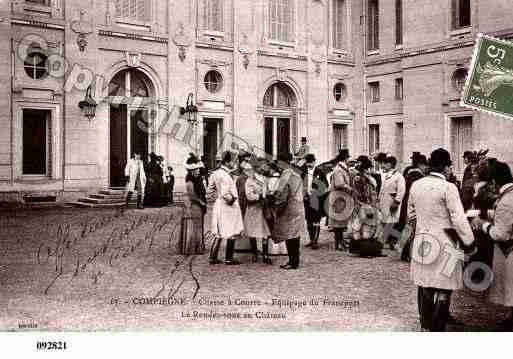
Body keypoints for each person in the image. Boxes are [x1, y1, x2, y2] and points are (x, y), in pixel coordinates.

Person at [408, 148, 475, 332]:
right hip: (447, 242)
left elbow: (411, 215)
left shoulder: (416, 185)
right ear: (446, 167)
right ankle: (438, 328)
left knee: (426, 283)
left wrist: (421, 230)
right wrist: (469, 242)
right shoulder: (449, 187)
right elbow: (458, 219)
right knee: (444, 286)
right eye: (450, 166)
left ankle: (426, 325)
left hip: (423, 241)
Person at [471, 161, 513, 331]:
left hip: (509, 250)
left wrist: (482, 224)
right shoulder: (510, 194)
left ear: (495, 181)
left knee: (510, 284)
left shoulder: (507, 200)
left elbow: (501, 234)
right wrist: (490, 215)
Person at [207, 151, 245, 265]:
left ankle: (213, 257)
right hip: (228, 207)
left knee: (218, 231)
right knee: (231, 231)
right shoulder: (225, 175)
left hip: (219, 205)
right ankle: (229, 258)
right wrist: (232, 200)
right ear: (227, 162)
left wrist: (216, 198)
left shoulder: (216, 173)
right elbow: (225, 193)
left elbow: (209, 190)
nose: (234, 164)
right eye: (233, 161)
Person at [273, 152, 305, 270]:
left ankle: (292, 262)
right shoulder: (296, 174)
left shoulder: (285, 176)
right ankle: (294, 260)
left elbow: (282, 196)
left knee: (289, 235)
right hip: (299, 207)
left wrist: (276, 208)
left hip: (289, 208)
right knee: (295, 235)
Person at [350, 155, 383, 257]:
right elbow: (362, 194)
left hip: (367, 204)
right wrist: (367, 205)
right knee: (365, 227)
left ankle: (366, 249)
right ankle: (364, 250)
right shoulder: (361, 178)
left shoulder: (365, 177)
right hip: (365, 204)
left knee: (365, 226)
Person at [397, 154, 428, 261]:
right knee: (412, 229)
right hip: (414, 205)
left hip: (406, 203)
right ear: (420, 165)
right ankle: (408, 253)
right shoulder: (418, 176)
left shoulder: (408, 172)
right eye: (424, 165)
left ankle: (403, 251)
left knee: (408, 228)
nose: (426, 167)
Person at [243, 161, 272, 264]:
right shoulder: (250, 180)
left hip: (263, 209)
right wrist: (259, 196)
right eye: (261, 167)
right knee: (252, 232)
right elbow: (249, 195)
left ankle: (265, 254)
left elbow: (267, 190)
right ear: (256, 168)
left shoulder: (264, 179)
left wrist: (268, 194)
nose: (263, 169)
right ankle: (254, 253)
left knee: (265, 232)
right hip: (253, 209)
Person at [378, 156, 405, 249]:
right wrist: (379, 199)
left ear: (390, 164)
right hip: (384, 202)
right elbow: (382, 189)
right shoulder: (386, 175)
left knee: (390, 222)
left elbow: (401, 191)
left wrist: (397, 202)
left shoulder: (398, 176)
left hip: (391, 202)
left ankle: (386, 241)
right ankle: (391, 241)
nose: (383, 166)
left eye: (385, 164)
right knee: (385, 221)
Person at [328, 148, 353, 251]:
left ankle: (340, 242)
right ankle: (338, 244)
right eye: (348, 158)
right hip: (338, 197)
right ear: (345, 158)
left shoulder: (342, 168)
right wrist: (349, 188)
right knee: (338, 222)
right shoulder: (339, 169)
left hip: (341, 197)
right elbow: (339, 184)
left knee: (341, 222)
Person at [302, 154, 327, 250]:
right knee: (308, 219)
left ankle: (315, 241)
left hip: (316, 199)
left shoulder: (320, 172)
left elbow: (325, 185)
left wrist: (317, 191)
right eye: (307, 163)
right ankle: (311, 239)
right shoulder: (303, 172)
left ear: (314, 162)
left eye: (310, 162)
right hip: (306, 198)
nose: (309, 164)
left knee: (316, 219)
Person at [181, 160, 207, 254]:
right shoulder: (190, 180)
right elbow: (192, 195)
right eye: (197, 169)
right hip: (194, 205)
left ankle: (198, 246)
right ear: (192, 171)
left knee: (198, 225)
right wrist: (201, 202)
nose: (198, 171)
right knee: (196, 226)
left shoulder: (197, 179)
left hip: (198, 205)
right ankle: (195, 247)